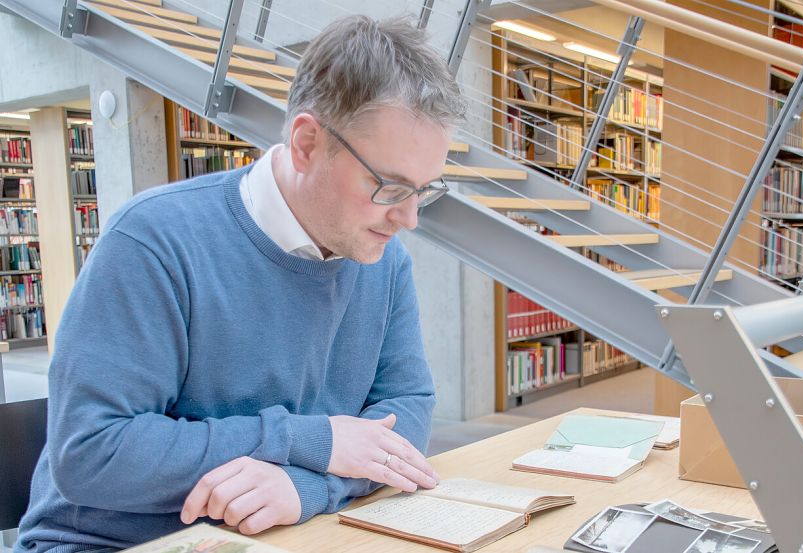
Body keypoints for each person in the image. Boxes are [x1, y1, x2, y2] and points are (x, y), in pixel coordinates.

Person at [16, 14, 468, 552]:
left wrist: (308, 486)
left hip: (289, 532)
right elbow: (90, 453)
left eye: (424, 190)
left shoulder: (383, 259)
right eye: (390, 185)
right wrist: (309, 440)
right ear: (306, 143)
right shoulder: (153, 241)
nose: (409, 218)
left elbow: (406, 407)